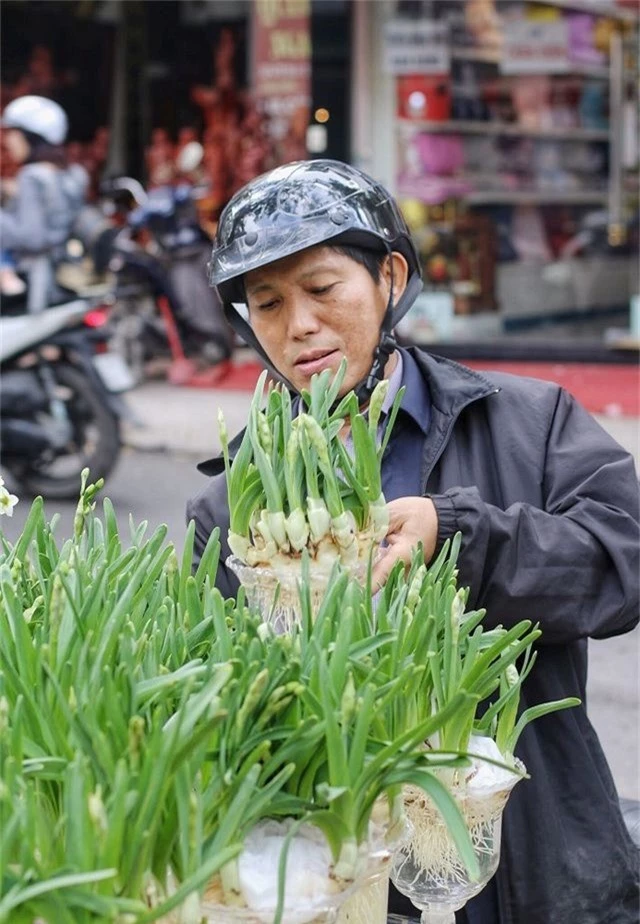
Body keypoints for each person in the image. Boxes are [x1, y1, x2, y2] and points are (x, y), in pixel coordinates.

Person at [186, 159, 640, 924]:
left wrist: (460, 536)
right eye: (267, 303)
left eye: (324, 290)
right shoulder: (230, 508)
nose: (299, 326)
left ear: (390, 277)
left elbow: (624, 563)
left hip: (532, 866)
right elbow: (216, 696)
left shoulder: (530, 424)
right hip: (346, 879)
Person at [0, 95, 88, 308]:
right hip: (64, 276)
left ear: (32, 137)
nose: (7, 141)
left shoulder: (31, 176)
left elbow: (32, 237)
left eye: (13, 133)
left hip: (34, 286)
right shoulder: (73, 173)